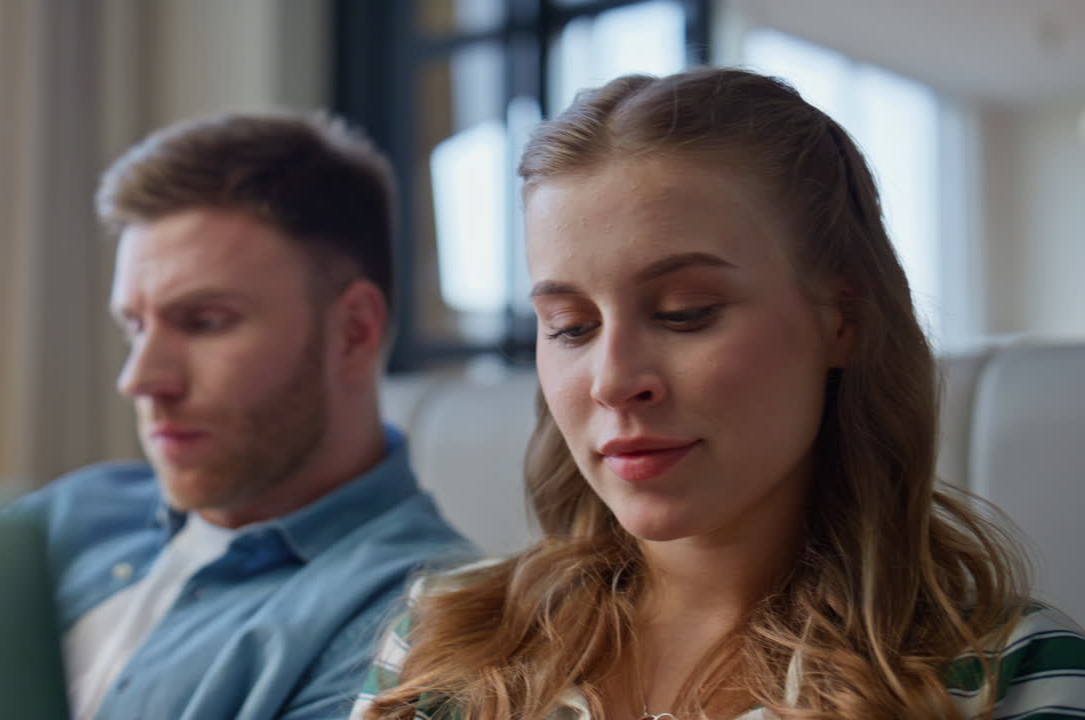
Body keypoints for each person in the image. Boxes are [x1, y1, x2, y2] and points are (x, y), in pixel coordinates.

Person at [354, 68, 1085, 720]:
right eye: (570, 326)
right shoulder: (441, 640)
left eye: (685, 313)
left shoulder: (1010, 676)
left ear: (844, 321)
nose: (612, 381)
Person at [11, 111, 471, 720]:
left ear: (354, 331)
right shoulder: (71, 511)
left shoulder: (429, 622)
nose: (140, 379)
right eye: (135, 327)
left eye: (205, 322)